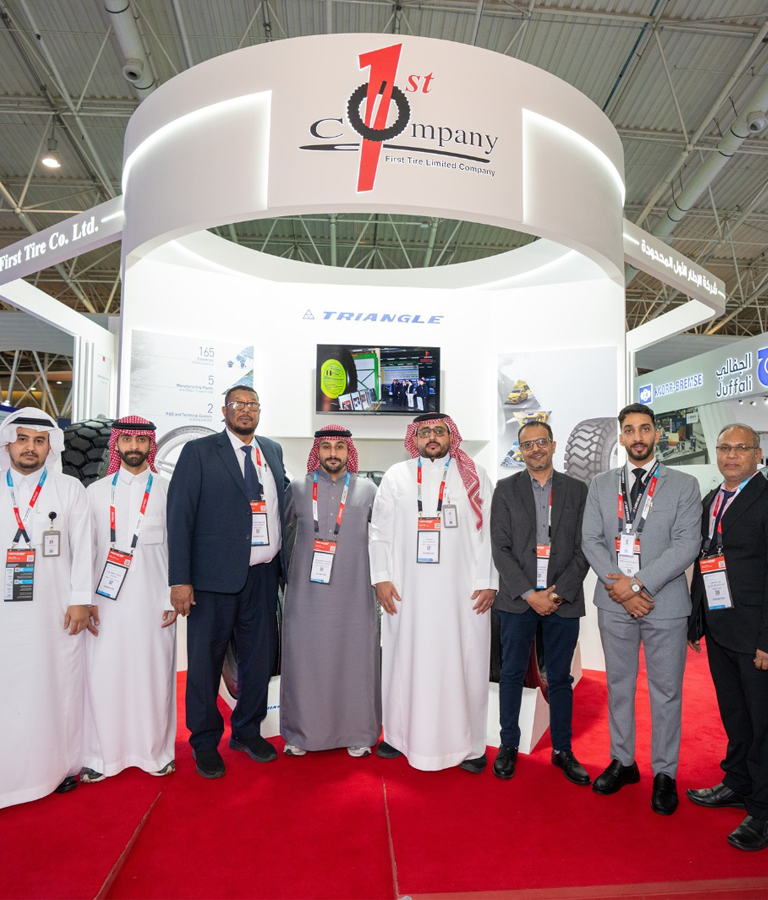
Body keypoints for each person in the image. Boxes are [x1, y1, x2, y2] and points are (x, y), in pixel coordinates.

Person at [582, 403, 701, 815]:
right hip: (614, 602)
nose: (638, 437)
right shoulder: (600, 484)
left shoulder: (683, 485)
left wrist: (637, 584)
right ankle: (623, 761)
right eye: (630, 429)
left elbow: (686, 545)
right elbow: (591, 540)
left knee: (666, 691)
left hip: (664, 603)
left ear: (656, 434)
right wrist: (621, 587)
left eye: (645, 429)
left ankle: (665, 772)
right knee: (619, 685)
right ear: (620, 436)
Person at [167, 386, 288, 779]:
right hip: (212, 581)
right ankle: (204, 741)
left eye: (253, 404)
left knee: (258, 660)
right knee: (206, 662)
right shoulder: (199, 452)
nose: (246, 411)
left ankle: (247, 731)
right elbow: (180, 517)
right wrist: (180, 580)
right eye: (238, 405)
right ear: (224, 410)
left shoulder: (272, 451)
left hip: (263, 576)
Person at [370, 412, 498, 771]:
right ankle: (399, 736)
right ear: (414, 438)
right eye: (424, 431)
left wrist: (488, 581)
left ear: (450, 436)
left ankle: (470, 746)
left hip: (463, 595)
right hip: (406, 593)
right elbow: (379, 532)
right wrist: (381, 578)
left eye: (438, 431)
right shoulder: (397, 476)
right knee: (404, 660)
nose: (431, 437)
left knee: (465, 663)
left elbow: (492, 532)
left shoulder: (474, 476)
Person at [0, 408, 95, 808]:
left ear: (50, 446)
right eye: (22, 439)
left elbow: (84, 548)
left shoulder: (69, 489)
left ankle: (56, 767)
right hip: (5, 616)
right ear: (8, 443)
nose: (30, 448)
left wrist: (80, 600)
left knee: (54, 686)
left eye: (39, 441)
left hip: (54, 612)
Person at [490, 420, 590, 784]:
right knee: (512, 674)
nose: (535, 449)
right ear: (520, 451)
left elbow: (585, 547)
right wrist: (530, 594)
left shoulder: (577, 490)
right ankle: (508, 745)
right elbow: (500, 547)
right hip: (518, 600)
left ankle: (563, 750)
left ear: (553, 445)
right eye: (528, 444)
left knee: (560, 678)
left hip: (563, 599)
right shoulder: (505, 489)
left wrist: (556, 594)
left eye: (541, 442)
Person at [82, 416, 177, 784]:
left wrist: (172, 595)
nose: (134, 447)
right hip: (105, 603)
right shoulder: (95, 492)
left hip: (155, 603)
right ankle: (101, 755)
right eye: (127, 440)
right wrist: (84, 598)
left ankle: (155, 754)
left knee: (153, 677)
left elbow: (178, 549)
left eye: (141, 440)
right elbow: (85, 552)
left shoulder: (168, 490)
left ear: (150, 445)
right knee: (104, 676)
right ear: (117, 444)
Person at [687, 424, 768, 851]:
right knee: (735, 715)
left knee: (763, 723)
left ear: (758, 454)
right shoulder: (712, 499)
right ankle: (738, 782)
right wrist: (697, 620)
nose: (732, 455)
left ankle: (763, 809)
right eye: (724, 448)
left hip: (756, 634)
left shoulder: (765, 497)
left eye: (741, 448)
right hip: (721, 628)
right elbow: (707, 559)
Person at [280, 425, 381, 757]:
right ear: (317, 451)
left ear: (349, 451)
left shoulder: (368, 490)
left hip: (355, 594)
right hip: (306, 596)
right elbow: (278, 534)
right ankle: (301, 734)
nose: (333, 453)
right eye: (326, 447)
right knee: (304, 660)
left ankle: (358, 731)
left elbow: (385, 537)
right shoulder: (297, 488)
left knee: (355, 659)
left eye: (340, 446)